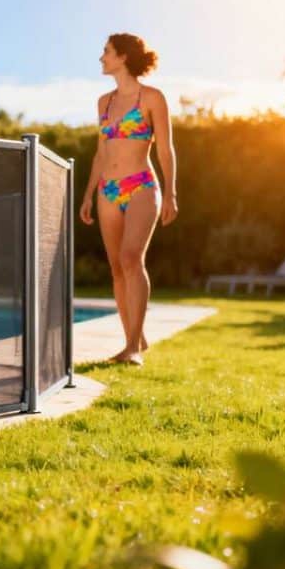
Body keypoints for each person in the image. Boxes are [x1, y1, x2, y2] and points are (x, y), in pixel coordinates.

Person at [79, 33, 179, 365]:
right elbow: (100, 153)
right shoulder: (103, 102)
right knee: (117, 269)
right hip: (108, 189)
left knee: (132, 258)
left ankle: (133, 348)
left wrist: (171, 193)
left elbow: (165, 149)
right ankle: (133, 338)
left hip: (141, 186)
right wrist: (88, 194)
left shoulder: (152, 98)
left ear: (123, 57)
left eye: (106, 52)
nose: (101, 57)